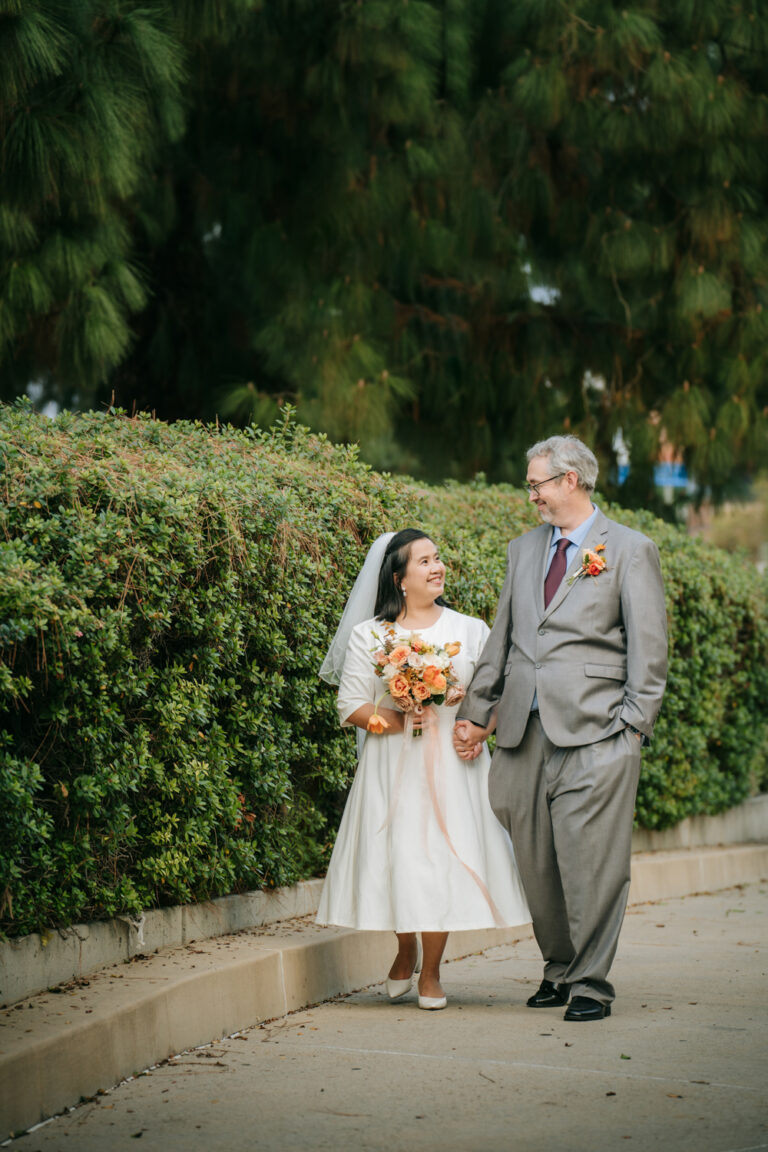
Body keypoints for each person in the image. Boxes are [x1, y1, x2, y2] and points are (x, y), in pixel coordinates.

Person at [453, 436, 667, 1022]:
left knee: (592, 862)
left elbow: (650, 652)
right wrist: (476, 712)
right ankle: (559, 968)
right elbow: (505, 637)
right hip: (522, 731)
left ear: (570, 480)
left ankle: (592, 983)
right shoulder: (523, 551)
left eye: (537, 485)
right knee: (536, 861)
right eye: (531, 486)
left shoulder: (628, 549)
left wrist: (632, 730)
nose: (533, 496)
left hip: (598, 734)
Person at [316, 529, 530, 1010]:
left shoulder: (470, 629)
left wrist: (480, 731)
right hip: (393, 764)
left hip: (455, 763)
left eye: (438, 558)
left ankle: (431, 972)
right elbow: (350, 705)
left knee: (442, 864)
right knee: (401, 860)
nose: (437, 567)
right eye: (425, 561)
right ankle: (404, 947)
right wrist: (393, 718)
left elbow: (497, 696)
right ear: (400, 578)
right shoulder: (371, 635)